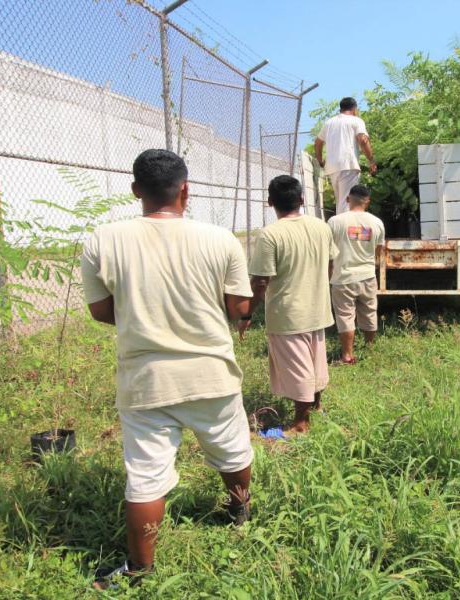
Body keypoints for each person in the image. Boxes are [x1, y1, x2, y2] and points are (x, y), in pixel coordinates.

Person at [81, 149, 255, 590]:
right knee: (233, 450)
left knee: (145, 475)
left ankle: (140, 570)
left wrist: (145, 314)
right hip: (211, 372)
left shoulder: (103, 238)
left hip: (146, 380)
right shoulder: (221, 240)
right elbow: (239, 309)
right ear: (186, 190)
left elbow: (101, 311)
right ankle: (239, 513)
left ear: (135, 190)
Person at [242, 175, 338, 434]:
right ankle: (316, 407)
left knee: (298, 368)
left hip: (288, 313)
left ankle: (300, 423)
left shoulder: (270, 234)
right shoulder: (321, 227)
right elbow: (331, 264)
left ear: (270, 201)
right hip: (318, 307)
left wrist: (246, 314)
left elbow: (260, 281)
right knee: (315, 360)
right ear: (302, 200)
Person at [328, 184, 386, 364]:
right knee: (369, 312)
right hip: (368, 276)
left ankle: (347, 355)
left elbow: (328, 252)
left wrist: (328, 273)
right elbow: (379, 250)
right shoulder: (377, 222)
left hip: (343, 277)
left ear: (347, 199)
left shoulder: (335, 221)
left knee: (345, 316)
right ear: (367, 201)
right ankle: (370, 349)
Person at [314, 97, 377, 214]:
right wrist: (371, 160)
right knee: (347, 202)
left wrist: (320, 160)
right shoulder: (356, 120)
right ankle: (345, 231)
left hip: (332, 167)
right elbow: (363, 140)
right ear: (354, 109)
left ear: (341, 108)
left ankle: (339, 230)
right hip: (348, 164)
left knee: (341, 202)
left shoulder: (329, 122)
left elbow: (318, 142)